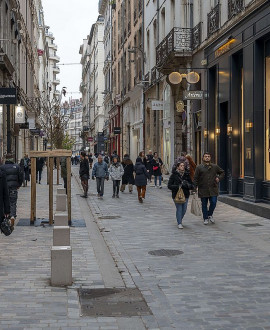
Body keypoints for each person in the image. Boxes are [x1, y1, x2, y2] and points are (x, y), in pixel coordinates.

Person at [193, 152, 225, 225]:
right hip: (203, 189)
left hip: (213, 189)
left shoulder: (215, 166)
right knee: (204, 204)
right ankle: (205, 218)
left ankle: (210, 214)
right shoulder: (199, 167)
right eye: (205, 156)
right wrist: (194, 188)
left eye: (208, 156)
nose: (207, 157)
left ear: (210, 158)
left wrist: (219, 178)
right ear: (203, 158)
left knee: (213, 202)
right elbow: (195, 178)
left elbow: (222, 172)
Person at [168, 162, 193, 229]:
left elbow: (192, 185)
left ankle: (179, 219)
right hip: (176, 195)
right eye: (181, 165)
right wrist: (178, 186)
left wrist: (188, 185)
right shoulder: (174, 175)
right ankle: (179, 223)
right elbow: (169, 186)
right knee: (179, 208)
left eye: (183, 166)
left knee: (184, 209)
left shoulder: (187, 175)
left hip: (185, 195)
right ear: (178, 167)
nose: (182, 167)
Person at [0, 153, 23, 227]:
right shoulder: (17, 167)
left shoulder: (2, 167)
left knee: (4, 201)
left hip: (5, 187)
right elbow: (20, 176)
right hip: (13, 187)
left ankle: (6, 216)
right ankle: (12, 216)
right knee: (13, 202)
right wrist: (18, 184)